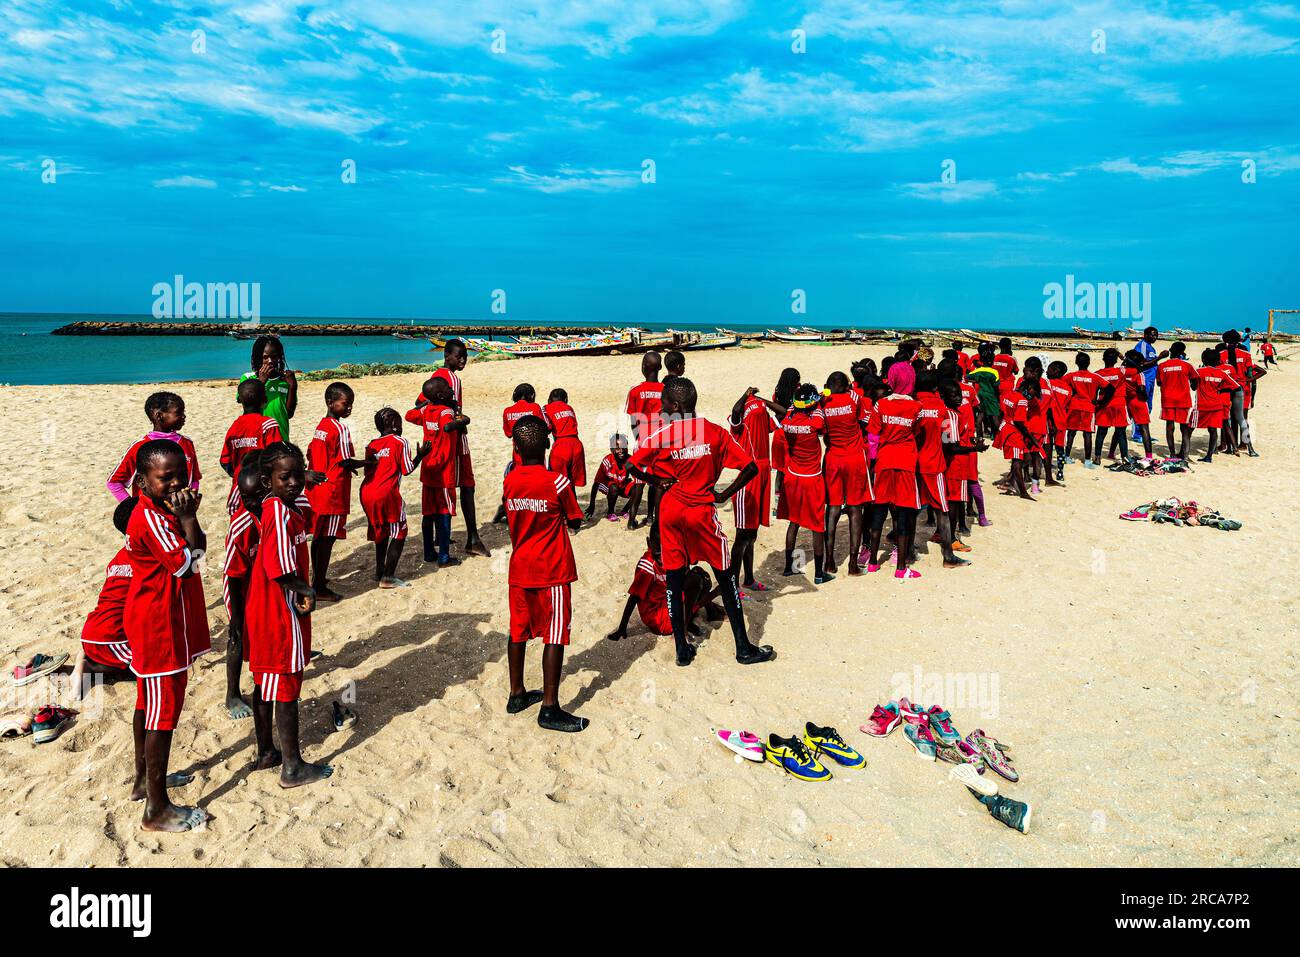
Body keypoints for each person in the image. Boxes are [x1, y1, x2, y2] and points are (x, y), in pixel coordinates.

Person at [627, 377, 774, 666]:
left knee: (674, 578)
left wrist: (657, 481)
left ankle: (682, 648)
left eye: (665, 402)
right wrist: (724, 494)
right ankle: (743, 647)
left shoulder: (662, 434)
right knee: (726, 576)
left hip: (671, 512)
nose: (661, 406)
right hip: (701, 512)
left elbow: (632, 465)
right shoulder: (715, 432)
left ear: (677, 406)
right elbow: (750, 466)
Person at [122, 439, 211, 831]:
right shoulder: (153, 518)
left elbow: (196, 549)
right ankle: (156, 809)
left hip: (157, 618)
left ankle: (145, 780)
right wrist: (190, 517)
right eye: (166, 478)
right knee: (162, 715)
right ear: (142, 481)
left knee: (149, 703)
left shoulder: (159, 510)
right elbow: (190, 561)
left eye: (182, 475)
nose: (177, 484)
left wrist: (187, 519)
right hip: (158, 626)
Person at [244, 441, 333, 788]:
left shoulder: (280, 506)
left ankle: (266, 750)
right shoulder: (279, 515)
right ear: (268, 481)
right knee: (285, 683)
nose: (295, 482)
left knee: (265, 681)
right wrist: (307, 589)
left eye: (299, 474)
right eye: (286, 477)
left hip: (265, 606)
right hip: (279, 609)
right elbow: (277, 567)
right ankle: (292, 766)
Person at [501, 416, 588, 733]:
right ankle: (550, 709)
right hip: (551, 569)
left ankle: (517, 694)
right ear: (548, 445)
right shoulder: (558, 482)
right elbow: (575, 518)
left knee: (518, 630)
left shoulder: (510, 481)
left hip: (520, 567)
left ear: (516, 449)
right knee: (555, 634)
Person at [416, 339, 488, 557]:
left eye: (465, 356)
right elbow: (455, 411)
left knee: (439, 487)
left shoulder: (434, 377)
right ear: (447, 356)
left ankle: (440, 536)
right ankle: (473, 539)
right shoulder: (452, 380)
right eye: (460, 356)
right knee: (467, 484)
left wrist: (433, 419)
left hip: (436, 441)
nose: (464, 360)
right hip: (455, 440)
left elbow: (419, 404)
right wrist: (457, 420)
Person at [67, 498, 141, 699]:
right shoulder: (145, 557)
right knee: (148, 671)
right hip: (112, 635)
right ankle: (88, 667)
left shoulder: (119, 557)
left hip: (92, 629)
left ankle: (87, 656)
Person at [606, 525, 721, 641]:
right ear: (648, 543)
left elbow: (691, 563)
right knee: (695, 582)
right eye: (658, 553)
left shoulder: (671, 554)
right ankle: (683, 628)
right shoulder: (648, 567)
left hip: (667, 600)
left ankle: (709, 612)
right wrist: (622, 628)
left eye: (666, 550)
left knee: (700, 574)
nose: (662, 557)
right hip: (658, 619)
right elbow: (634, 597)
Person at [359, 408, 431, 587]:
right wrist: (420, 455)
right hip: (387, 493)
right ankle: (388, 576)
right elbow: (406, 469)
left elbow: (369, 470)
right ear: (393, 424)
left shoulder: (372, 444)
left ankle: (379, 570)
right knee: (400, 531)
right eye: (399, 422)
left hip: (367, 493)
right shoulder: (400, 442)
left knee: (381, 531)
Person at [305, 382, 363, 601]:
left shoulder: (322, 426)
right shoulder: (339, 428)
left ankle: (317, 577)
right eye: (345, 404)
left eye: (351, 405)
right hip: (333, 491)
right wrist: (368, 462)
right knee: (327, 539)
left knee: (319, 538)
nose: (349, 409)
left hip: (318, 491)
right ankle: (319, 585)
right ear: (331, 403)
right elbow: (346, 461)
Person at [222, 454, 267, 720]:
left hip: (263, 585)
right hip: (241, 587)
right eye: (246, 498)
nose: (252, 504)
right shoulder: (242, 525)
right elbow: (233, 573)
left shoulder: (273, 510)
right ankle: (232, 694)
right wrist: (236, 616)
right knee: (237, 636)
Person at [407, 378, 468, 566]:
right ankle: (443, 556)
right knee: (444, 513)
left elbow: (409, 415)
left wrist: (426, 403)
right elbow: (448, 424)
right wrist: (463, 419)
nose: (452, 390)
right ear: (441, 395)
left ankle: (428, 552)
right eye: (448, 389)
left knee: (428, 513)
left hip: (428, 468)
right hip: (443, 472)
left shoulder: (427, 411)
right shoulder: (445, 412)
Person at [865, 385, 923, 579]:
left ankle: (872, 562)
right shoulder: (916, 407)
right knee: (904, 512)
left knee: (879, 510)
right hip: (905, 460)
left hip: (884, 459)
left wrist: (874, 459)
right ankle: (900, 567)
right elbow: (916, 431)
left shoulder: (880, 404)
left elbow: (873, 435)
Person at [776, 383, 832, 584]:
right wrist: (821, 399)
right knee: (817, 527)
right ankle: (819, 574)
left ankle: (789, 567)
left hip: (792, 477)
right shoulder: (815, 421)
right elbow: (820, 419)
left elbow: (792, 408)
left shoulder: (788, 420)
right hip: (812, 478)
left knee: (794, 523)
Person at [728, 385, 783, 591]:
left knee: (752, 535)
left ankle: (748, 579)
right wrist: (747, 394)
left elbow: (783, 413)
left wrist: (759, 399)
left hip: (762, 474)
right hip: (747, 479)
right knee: (742, 536)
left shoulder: (760, 416)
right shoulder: (738, 424)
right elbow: (735, 411)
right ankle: (733, 585)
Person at [915, 371, 970, 567]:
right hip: (934, 464)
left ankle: (906, 552)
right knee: (943, 511)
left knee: (912, 509)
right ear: (934, 388)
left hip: (913, 464)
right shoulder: (941, 409)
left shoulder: (913, 404)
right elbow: (948, 440)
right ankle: (948, 556)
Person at [819, 372, 871, 576]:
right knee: (855, 508)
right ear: (845, 385)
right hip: (855, 457)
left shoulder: (824, 402)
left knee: (832, 507)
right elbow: (865, 421)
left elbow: (822, 432)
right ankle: (852, 564)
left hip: (833, 458)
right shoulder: (854, 397)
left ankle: (829, 561)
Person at [108, 392, 201, 502]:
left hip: (180, 512)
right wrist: (130, 507)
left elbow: (194, 478)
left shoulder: (187, 443)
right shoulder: (139, 447)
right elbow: (114, 483)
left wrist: (192, 499)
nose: (184, 416)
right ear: (159, 416)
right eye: (179, 413)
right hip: (148, 513)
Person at [220, 378, 282, 514]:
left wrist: (239, 474)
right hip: (262, 490)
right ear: (265, 399)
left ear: (239, 400)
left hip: (240, 489)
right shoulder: (268, 425)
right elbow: (277, 457)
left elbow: (224, 461)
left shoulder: (234, 428)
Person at [239, 336, 297, 440]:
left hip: (280, 437)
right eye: (265, 357)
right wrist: (261, 382)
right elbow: (247, 406)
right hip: (257, 437)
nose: (270, 361)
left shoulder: (284, 381)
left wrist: (293, 388)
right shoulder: (248, 379)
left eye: (274, 356)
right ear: (258, 358)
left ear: (279, 357)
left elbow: (289, 414)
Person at [1220, 330, 1265, 457]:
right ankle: (1247, 446)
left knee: (1229, 418)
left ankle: (1231, 446)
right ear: (1239, 341)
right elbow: (1251, 374)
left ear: (1224, 341)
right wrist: (1247, 380)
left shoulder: (1221, 355)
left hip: (1228, 389)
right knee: (1242, 419)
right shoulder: (1245, 354)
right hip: (1243, 389)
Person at [586, 433, 643, 525]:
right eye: (617, 448)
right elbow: (596, 483)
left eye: (624, 447)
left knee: (637, 488)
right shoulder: (607, 461)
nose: (621, 451)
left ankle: (624, 510)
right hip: (609, 486)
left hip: (622, 484)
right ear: (612, 450)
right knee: (613, 487)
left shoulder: (630, 460)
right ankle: (610, 512)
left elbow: (639, 481)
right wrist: (592, 505)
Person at [1156, 342, 1199, 459]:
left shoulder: (1161, 366)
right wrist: (1191, 386)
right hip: (1183, 400)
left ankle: (1172, 453)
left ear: (1170, 350)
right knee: (1184, 428)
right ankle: (1185, 455)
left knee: (1170, 427)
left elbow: (1159, 383)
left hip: (1167, 399)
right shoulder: (1187, 365)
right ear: (1182, 353)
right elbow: (1195, 382)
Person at [1062, 352, 1103, 467]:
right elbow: (1109, 388)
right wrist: (1099, 401)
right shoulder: (1095, 377)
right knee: (1087, 434)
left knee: (1071, 433)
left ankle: (1066, 456)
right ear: (1089, 363)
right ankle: (1087, 461)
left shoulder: (1070, 376)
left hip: (1074, 406)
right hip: (1088, 407)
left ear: (1076, 363)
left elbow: (1061, 384)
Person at [1092, 348, 1129, 465]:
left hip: (1104, 405)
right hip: (1119, 404)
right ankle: (1124, 457)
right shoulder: (1122, 371)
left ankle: (1097, 457)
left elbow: (1094, 392)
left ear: (1103, 359)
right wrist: (1122, 356)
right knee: (1121, 433)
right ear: (1116, 360)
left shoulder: (1098, 374)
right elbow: (1135, 365)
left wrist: (1097, 404)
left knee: (1101, 432)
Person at [544, 388, 587, 488]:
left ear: (549, 400)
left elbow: (547, 427)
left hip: (561, 446)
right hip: (577, 445)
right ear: (566, 399)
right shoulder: (569, 408)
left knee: (558, 484)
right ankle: (573, 503)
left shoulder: (546, 408)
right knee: (571, 483)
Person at [1131, 326, 1161, 441]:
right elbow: (1141, 363)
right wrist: (1160, 358)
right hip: (1143, 380)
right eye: (1152, 335)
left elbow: (1153, 364)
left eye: (1156, 335)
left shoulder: (1151, 348)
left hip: (1151, 380)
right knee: (1140, 407)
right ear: (1145, 335)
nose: (1155, 337)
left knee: (1148, 407)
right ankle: (1136, 434)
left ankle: (1144, 433)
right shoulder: (1142, 346)